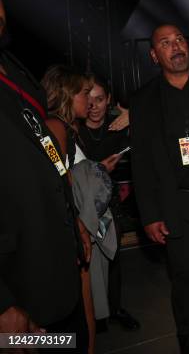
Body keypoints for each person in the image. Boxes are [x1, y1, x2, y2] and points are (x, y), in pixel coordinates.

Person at [0, 0, 88, 353]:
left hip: (54, 269)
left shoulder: (14, 69)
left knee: (69, 343)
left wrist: (74, 213)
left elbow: (47, 147)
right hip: (15, 291)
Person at [130, 24, 189, 354]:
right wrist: (150, 215)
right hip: (177, 204)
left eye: (179, 39)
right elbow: (140, 162)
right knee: (184, 280)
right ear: (154, 55)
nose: (176, 46)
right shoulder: (143, 100)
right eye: (165, 43)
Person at [43, 65, 123, 354]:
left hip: (75, 225)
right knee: (77, 312)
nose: (89, 100)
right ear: (67, 95)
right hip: (70, 229)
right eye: (83, 93)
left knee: (84, 309)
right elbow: (57, 175)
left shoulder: (67, 128)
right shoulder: (53, 128)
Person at [78, 75, 140, 331]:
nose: (94, 106)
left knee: (113, 255)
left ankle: (113, 309)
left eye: (100, 99)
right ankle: (94, 313)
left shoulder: (120, 122)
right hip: (82, 203)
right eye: (88, 99)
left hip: (110, 200)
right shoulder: (74, 127)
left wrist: (134, 117)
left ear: (109, 100)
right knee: (87, 258)